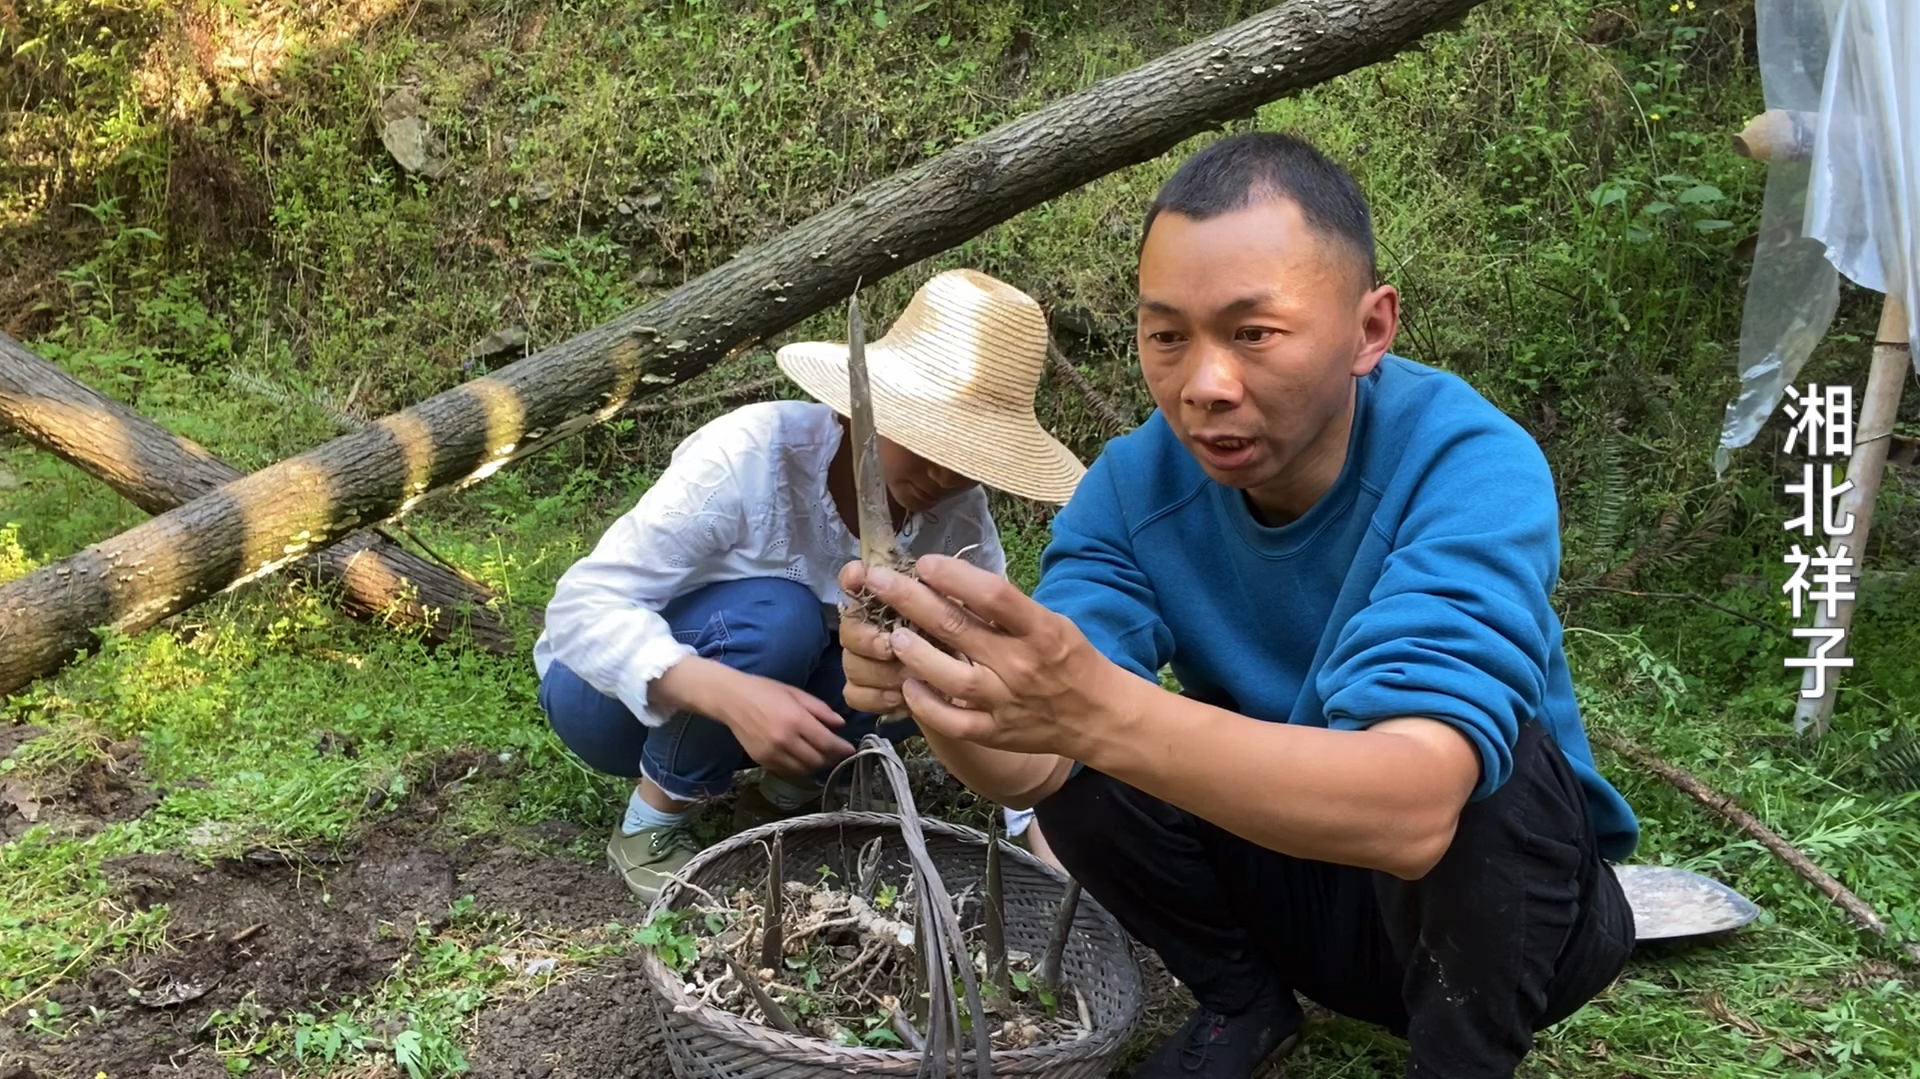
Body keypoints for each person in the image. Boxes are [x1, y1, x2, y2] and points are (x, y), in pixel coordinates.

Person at [836, 133, 1639, 1079]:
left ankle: (1460, 1060)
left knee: (1488, 769)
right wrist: (950, 691)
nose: (1204, 385)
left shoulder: (1467, 464)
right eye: (1167, 335)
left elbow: (1415, 809)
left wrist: (1090, 705)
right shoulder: (1133, 489)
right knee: (1092, 752)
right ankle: (1243, 1002)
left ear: (1369, 330)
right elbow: (1032, 769)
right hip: (1300, 888)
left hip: (1513, 934)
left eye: (1254, 333)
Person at [531, 268, 1085, 901]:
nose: (941, 471)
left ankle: (782, 796)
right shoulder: (752, 452)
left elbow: (982, 668)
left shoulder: (957, 519)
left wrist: (1043, 824)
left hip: (773, 719)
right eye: (925, 434)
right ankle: (652, 821)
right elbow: (580, 609)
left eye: (967, 456)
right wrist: (731, 694)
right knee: (781, 617)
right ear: (864, 408)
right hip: (609, 704)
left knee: (913, 642)